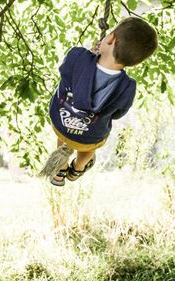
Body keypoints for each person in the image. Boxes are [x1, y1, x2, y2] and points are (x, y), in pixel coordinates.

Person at [40, 17, 158, 186]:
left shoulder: (77, 56)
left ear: (110, 39)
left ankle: (59, 170)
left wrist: (88, 57)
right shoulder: (127, 87)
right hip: (90, 135)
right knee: (89, 145)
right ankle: (78, 168)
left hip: (61, 123)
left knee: (65, 132)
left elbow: (64, 71)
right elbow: (119, 113)